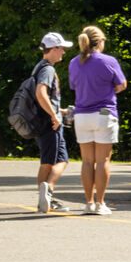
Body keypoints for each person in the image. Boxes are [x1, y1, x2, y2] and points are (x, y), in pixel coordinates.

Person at [68, 25, 125, 215]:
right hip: (103, 113)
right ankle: (100, 203)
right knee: (102, 161)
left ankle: (88, 202)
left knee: (86, 161)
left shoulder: (74, 62)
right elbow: (121, 84)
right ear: (100, 42)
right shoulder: (108, 60)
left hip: (82, 114)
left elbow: (74, 85)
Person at [33, 32, 72, 214]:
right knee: (60, 160)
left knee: (48, 161)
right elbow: (41, 93)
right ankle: (47, 191)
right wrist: (54, 116)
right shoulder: (47, 69)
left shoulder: (39, 67)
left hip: (43, 120)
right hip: (50, 122)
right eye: (61, 48)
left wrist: (60, 111)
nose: (63, 51)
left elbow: (44, 97)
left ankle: (45, 197)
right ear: (53, 49)